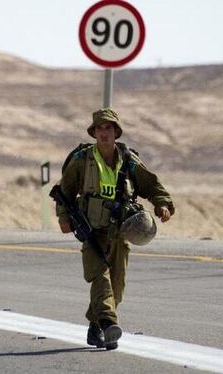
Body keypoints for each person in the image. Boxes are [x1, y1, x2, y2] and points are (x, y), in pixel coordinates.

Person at [55, 108, 175, 350]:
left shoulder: (128, 160)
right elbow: (65, 190)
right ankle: (110, 324)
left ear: (116, 132)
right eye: (99, 128)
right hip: (91, 229)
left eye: (108, 128)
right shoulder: (83, 160)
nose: (103, 132)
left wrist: (162, 203)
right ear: (93, 132)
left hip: (120, 231)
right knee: (100, 277)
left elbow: (150, 183)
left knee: (117, 286)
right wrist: (63, 217)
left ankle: (96, 327)